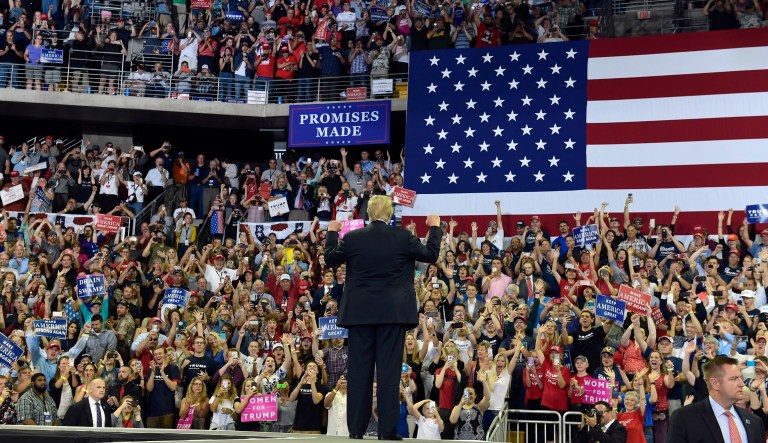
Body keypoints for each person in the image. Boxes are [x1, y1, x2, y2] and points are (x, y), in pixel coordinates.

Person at [324, 195, 441, 440]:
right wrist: (435, 227)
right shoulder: (402, 237)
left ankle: (355, 430)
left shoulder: (354, 238)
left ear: (367, 214)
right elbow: (430, 254)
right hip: (392, 315)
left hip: (360, 315)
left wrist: (332, 232)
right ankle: (387, 431)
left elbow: (330, 258)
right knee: (388, 373)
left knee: (358, 373)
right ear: (390, 216)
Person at [666, 356, 765, 443]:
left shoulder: (754, 421)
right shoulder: (684, 418)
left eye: (740, 378)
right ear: (715, 383)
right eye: (734, 378)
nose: (742, 384)